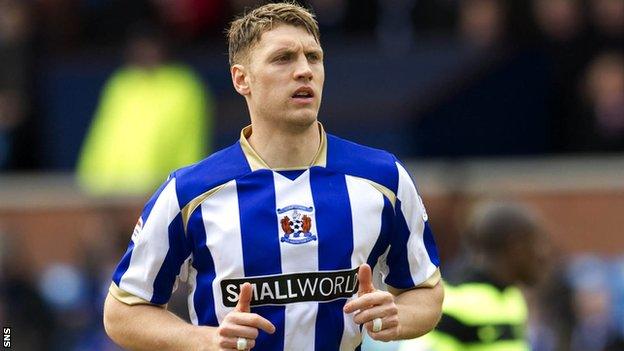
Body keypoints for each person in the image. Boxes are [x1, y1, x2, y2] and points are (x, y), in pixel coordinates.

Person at [103, 3, 443, 351]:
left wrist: (398, 316)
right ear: (241, 79)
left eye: (313, 57)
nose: (304, 71)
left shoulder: (383, 177)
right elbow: (122, 311)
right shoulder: (189, 191)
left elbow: (426, 289)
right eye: (283, 58)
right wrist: (204, 339)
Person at [77, 22, 212, 195]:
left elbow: (189, 142)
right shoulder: (121, 83)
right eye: (140, 47)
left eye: (150, 46)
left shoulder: (183, 85)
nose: (145, 52)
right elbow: (104, 136)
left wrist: (182, 186)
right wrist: (90, 182)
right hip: (110, 194)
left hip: (162, 191)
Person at [396, 201, 549, 351]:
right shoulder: (450, 302)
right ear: (516, 246)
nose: (544, 254)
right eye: (537, 243)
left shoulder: (513, 297)